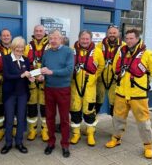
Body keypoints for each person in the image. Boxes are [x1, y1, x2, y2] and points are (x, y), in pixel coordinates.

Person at [105, 28, 152, 159]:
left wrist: (145, 83)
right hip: (121, 93)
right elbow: (114, 68)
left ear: (137, 38)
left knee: (143, 122)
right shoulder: (121, 52)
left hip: (138, 95)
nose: (129, 41)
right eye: (127, 38)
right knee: (117, 118)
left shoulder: (147, 53)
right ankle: (116, 138)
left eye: (132, 38)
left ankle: (148, 146)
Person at [41, 29, 74, 158]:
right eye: (51, 38)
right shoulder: (46, 53)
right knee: (49, 117)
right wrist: (42, 76)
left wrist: (51, 72)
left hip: (63, 89)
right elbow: (44, 70)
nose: (53, 40)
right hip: (49, 88)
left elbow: (69, 69)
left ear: (61, 39)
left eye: (56, 38)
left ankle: (65, 145)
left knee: (64, 118)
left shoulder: (68, 51)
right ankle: (51, 142)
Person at [0, 37, 35, 154]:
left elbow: (27, 75)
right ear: (13, 48)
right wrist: (21, 75)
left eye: (22, 47)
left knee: (21, 119)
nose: (19, 49)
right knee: (9, 119)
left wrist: (31, 78)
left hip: (22, 94)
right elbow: (7, 76)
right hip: (10, 94)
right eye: (17, 47)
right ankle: (8, 143)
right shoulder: (6, 59)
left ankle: (19, 142)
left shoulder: (25, 60)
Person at [70, 30, 104, 146]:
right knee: (75, 110)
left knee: (89, 112)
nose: (85, 41)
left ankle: (90, 134)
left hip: (90, 88)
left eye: (87, 39)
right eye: (83, 39)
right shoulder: (71, 51)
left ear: (91, 39)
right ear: (79, 39)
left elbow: (101, 66)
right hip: (75, 87)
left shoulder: (98, 52)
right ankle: (76, 134)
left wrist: (94, 77)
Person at [24, 25, 50, 141]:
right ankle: (32, 130)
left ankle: (45, 131)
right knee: (32, 108)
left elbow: (53, 63)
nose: (38, 33)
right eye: (36, 31)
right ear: (33, 32)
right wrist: (34, 75)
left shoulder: (50, 46)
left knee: (46, 108)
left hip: (46, 82)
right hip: (32, 82)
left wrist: (44, 75)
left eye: (41, 31)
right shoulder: (27, 46)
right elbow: (24, 63)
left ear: (44, 32)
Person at [96, 25, 125, 116]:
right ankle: (91, 127)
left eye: (114, 33)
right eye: (110, 33)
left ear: (118, 34)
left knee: (116, 107)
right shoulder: (99, 46)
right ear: (107, 34)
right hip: (100, 80)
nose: (112, 34)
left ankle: (117, 129)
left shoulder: (124, 46)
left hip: (116, 81)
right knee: (95, 105)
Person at [0, 29, 12, 142]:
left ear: (11, 37)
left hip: (13, 82)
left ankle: (13, 129)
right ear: (0, 37)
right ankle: (0, 131)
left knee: (13, 107)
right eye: (3, 35)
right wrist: (0, 78)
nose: (6, 37)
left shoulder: (16, 49)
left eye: (7, 35)